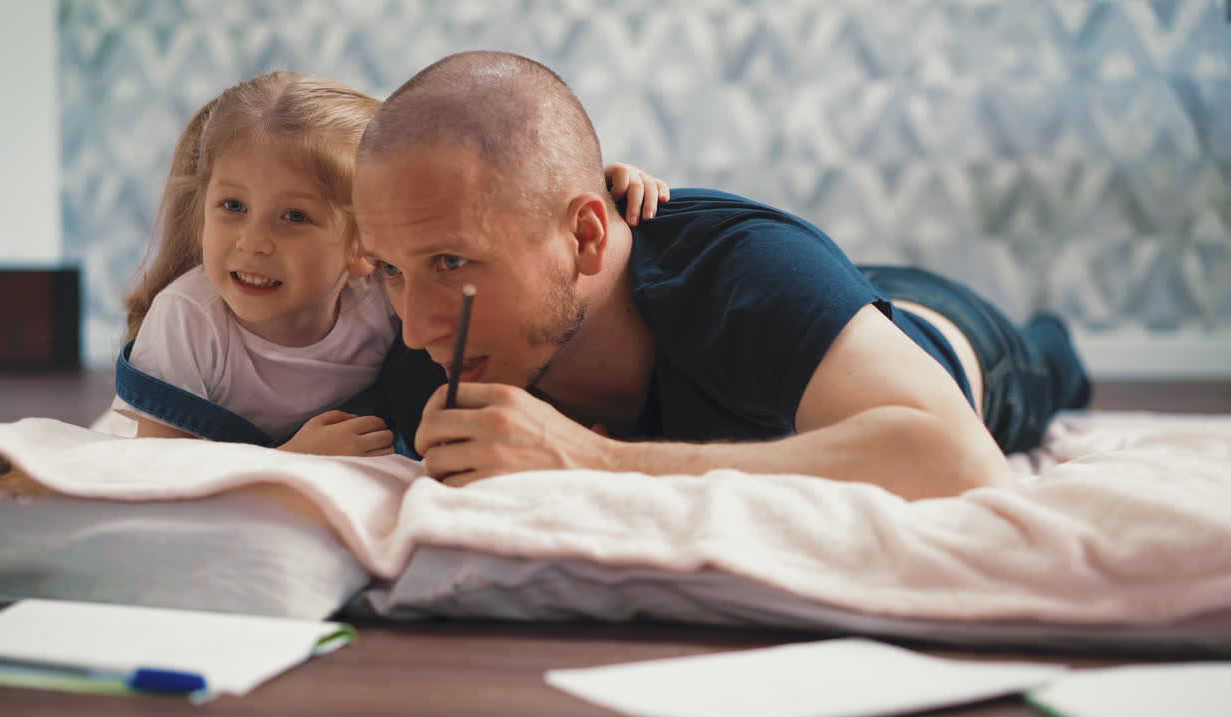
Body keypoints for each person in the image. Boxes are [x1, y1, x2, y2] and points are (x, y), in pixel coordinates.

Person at [353, 51, 1092, 499]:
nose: (417, 328)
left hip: (948, 336)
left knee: (1051, 363)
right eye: (389, 268)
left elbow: (959, 463)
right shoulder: (427, 334)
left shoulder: (743, 272)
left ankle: (1053, 337)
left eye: (452, 263)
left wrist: (599, 461)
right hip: (802, 308)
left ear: (584, 235)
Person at [112, 70, 670, 457]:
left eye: (294, 218)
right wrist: (289, 460)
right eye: (232, 207)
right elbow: (161, 471)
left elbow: (489, 205)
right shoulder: (186, 318)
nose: (253, 242)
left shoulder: (382, 294)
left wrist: (603, 189)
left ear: (365, 247)